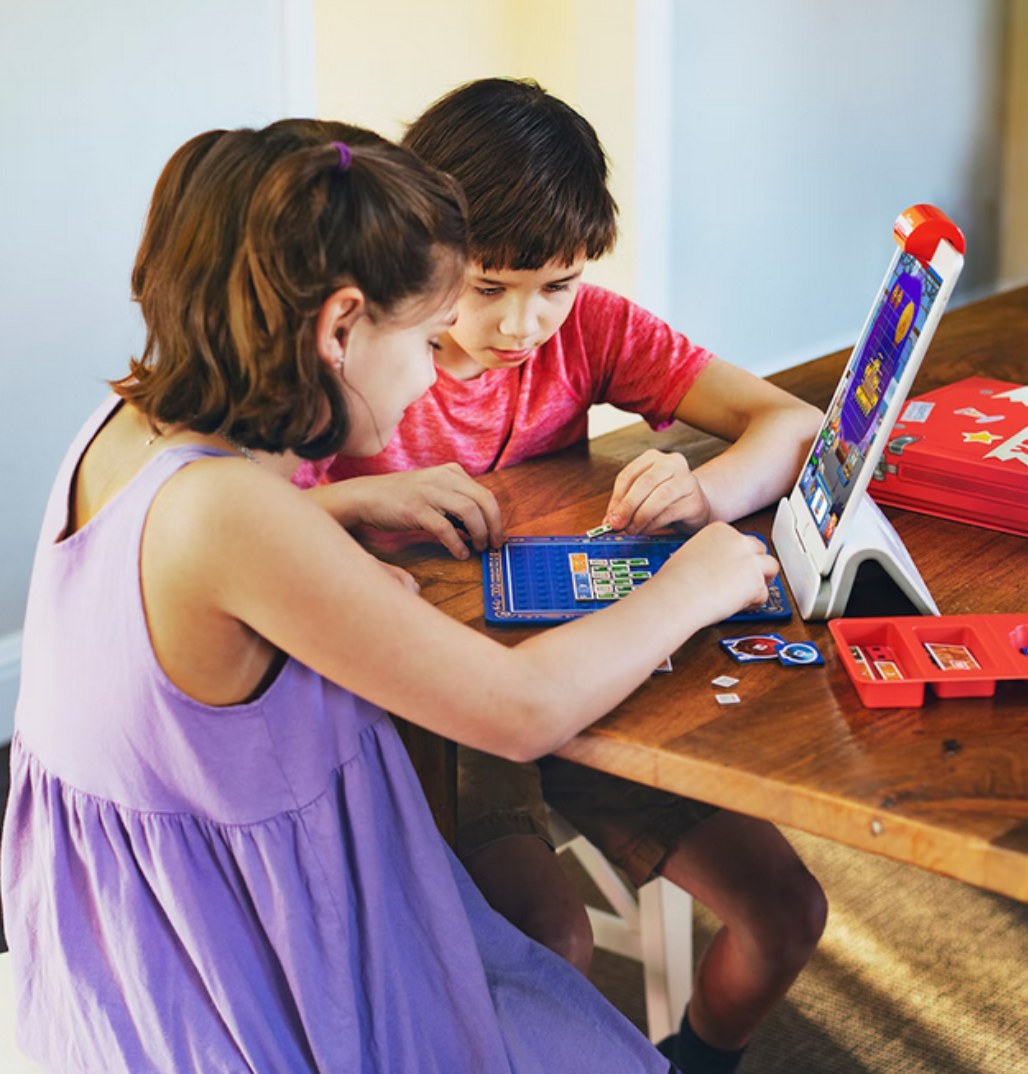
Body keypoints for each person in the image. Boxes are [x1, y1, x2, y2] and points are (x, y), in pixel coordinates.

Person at [0, 122, 779, 1073]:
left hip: (148, 935)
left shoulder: (124, 431)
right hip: (252, 966)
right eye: (422, 334)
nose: (428, 374)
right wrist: (695, 583)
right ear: (340, 329)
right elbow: (519, 710)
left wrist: (353, 499)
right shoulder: (233, 516)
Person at [298, 79, 829, 1074]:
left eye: (559, 284)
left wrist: (704, 493)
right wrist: (352, 504)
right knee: (554, 942)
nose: (523, 323)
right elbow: (243, 520)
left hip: (594, 672)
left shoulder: (589, 331)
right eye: (487, 286)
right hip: (441, 710)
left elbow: (795, 423)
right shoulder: (359, 365)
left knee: (789, 909)